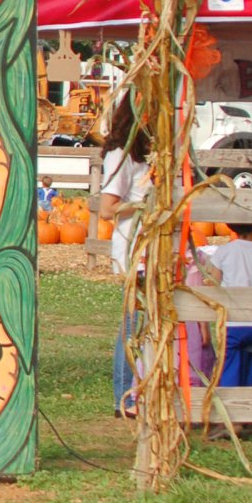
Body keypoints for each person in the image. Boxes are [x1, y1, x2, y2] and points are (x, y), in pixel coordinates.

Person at [99, 91, 152, 416]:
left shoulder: (145, 155)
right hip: (134, 247)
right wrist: (146, 205)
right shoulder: (120, 154)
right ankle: (126, 396)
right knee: (132, 323)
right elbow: (107, 209)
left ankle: (139, 390)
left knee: (146, 322)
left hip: (151, 246)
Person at [194, 223, 252, 386]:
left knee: (229, 367)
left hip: (234, 322)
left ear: (231, 227)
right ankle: (248, 402)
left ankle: (230, 404)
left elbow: (214, 286)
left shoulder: (224, 252)